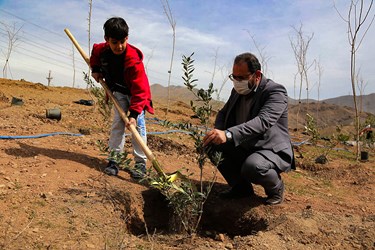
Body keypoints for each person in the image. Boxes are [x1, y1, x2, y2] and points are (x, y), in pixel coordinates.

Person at [203, 52, 295, 205]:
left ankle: (276, 188)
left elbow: (263, 122)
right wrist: (217, 132)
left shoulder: (275, 92)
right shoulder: (238, 91)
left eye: (242, 78)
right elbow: (223, 113)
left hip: (270, 149)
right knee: (212, 146)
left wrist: (229, 134)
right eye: (234, 77)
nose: (237, 82)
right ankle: (241, 188)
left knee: (253, 167)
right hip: (246, 145)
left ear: (257, 75)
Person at [90, 17, 154, 179]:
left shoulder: (133, 61)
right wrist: (96, 68)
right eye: (114, 42)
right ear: (107, 40)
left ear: (127, 38)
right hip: (118, 91)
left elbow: (141, 91)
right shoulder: (102, 49)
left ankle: (140, 163)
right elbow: (95, 52)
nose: (118, 46)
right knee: (117, 123)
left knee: (138, 126)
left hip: (135, 95)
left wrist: (133, 115)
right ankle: (114, 160)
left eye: (122, 41)